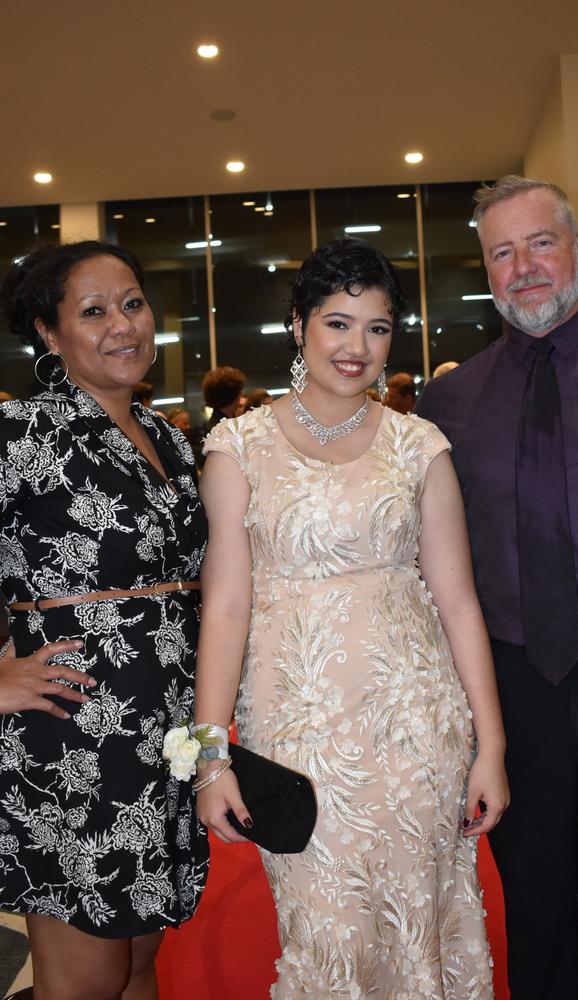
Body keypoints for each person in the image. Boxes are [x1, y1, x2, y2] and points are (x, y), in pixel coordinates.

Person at [193, 238, 508, 998]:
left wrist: (490, 746)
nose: (357, 347)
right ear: (299, 325)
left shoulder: (418, 443)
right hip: (298, 733)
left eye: (377, 327)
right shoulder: (237, 447)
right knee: (325, 932)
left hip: (416, 726)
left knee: (423, 923)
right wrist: (209, 757)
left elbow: (459, 600)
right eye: (338, 323)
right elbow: (226, 606)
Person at [416, 175, 578, 1000]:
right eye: (501, 253)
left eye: (539, 244)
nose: (523, 268)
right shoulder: (443, 406)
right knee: (535, 912)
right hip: (514, 695)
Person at [0, 241, 208, 1000]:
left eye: (131, 303)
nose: (123, 324)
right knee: (86, 978)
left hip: (171, 740)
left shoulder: (173, 440)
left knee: (140, 964)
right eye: (93, 311)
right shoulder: (20, 437)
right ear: (48, 334)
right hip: (74, 743)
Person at [202, 365, 245, 431]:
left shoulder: (219, 423)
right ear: (231, 394)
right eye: (239, 390)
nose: (242, 393)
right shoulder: (221, 430)